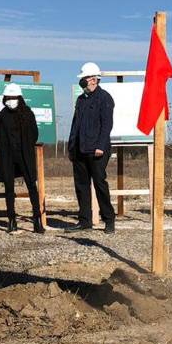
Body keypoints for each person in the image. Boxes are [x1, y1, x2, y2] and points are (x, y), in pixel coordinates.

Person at [67, 62, 115, 233]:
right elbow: (75, 125)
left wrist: (101, 146)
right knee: (81, 186)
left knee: (100, 185)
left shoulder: (105, 98)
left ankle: (109, 220)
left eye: (84, 79)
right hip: (80, 150)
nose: (82, 82)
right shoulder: (81, 100)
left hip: (97, 151)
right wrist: (71, 146)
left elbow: (107, 125)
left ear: (94, 79)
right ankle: (85, 220)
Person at [0, 83, 43, 234]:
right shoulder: (2, 115)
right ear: (4, 98)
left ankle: (37, 219)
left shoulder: (28, 113)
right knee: (9, 188)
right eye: (8, 97)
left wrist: (24, 145)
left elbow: (34, 134)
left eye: (14, 97)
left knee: (32, 186)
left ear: (19, 98)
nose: (11, 100)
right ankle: (11, 219)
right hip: (7, 156)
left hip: (25, 155)